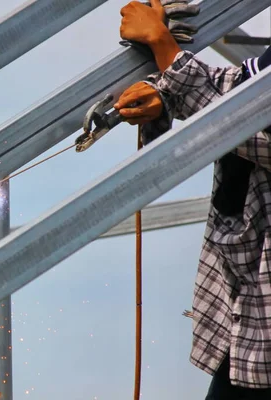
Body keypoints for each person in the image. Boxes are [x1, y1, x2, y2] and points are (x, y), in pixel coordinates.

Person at [114, 1, 271, 399]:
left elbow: (258, 131)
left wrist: (164, 46)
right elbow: (240, 89)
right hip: (252, 311)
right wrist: (165, 93)